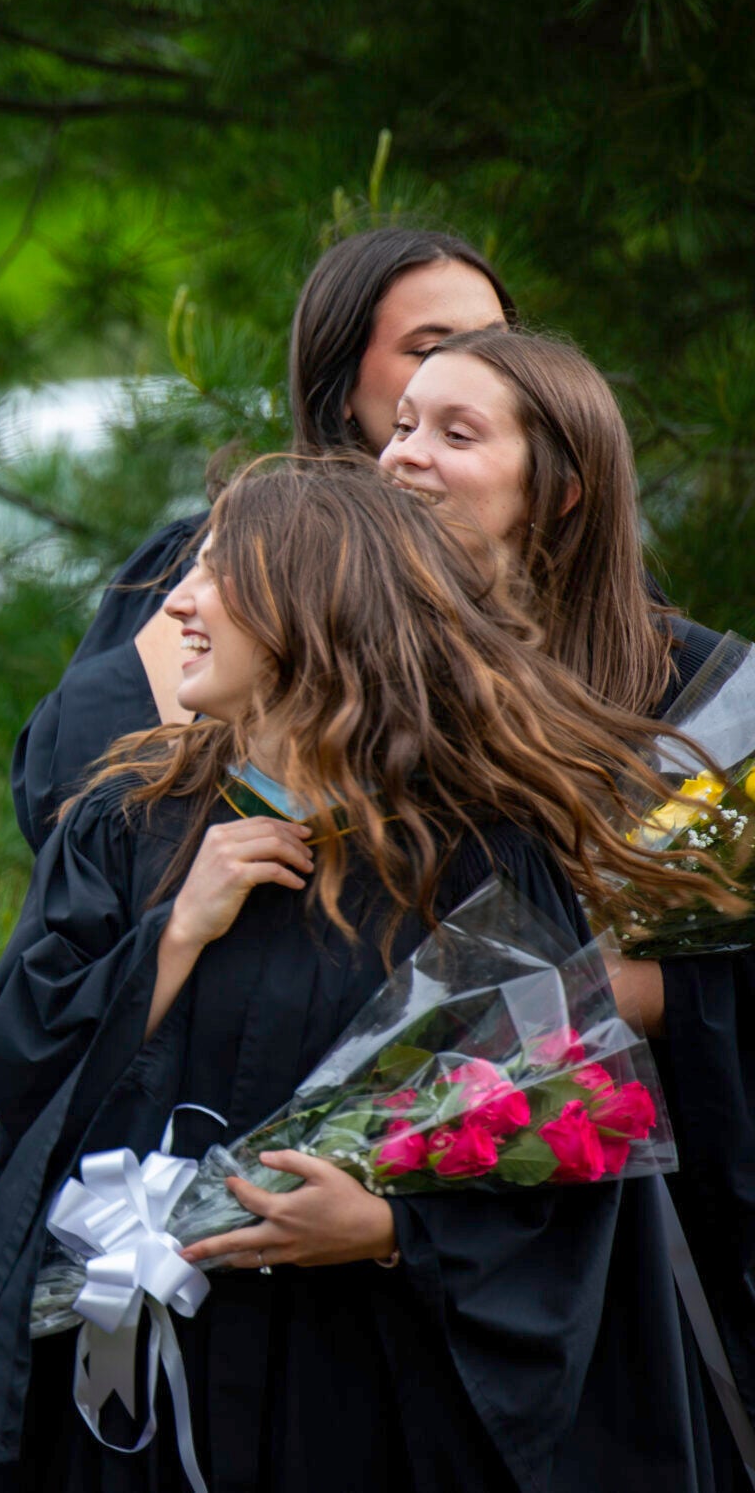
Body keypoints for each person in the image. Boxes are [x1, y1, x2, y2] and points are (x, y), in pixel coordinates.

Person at [0, 456, 728, 1493]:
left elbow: (564, 1152)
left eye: (219, 573)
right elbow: (16, 1060)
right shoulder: (125, 828)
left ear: (312, 608)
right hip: (146, 1378)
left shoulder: (476, 857)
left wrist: (395, 1229)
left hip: (361, 1384)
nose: (177, 599)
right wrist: (171, 938)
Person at [381, 325, 755, 1483]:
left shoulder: (703, 701)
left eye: (456, 432)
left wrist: (565, 1005)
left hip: (644, 1249)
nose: (404, 456)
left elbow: (717, 987)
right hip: (412, 1244)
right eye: (400, 425)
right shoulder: (373, 684)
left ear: (560, 489)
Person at [12, 226, 512, 847]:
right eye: (429, 350)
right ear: (342, 382)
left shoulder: (568, 570)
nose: (466, 373)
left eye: (494, 348)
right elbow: (76, 804)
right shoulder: (218, 562)